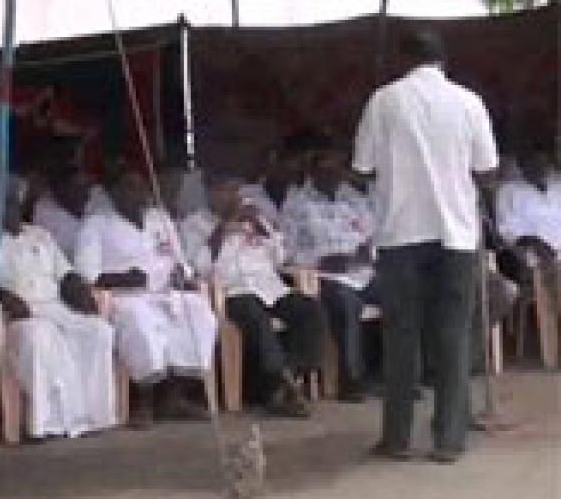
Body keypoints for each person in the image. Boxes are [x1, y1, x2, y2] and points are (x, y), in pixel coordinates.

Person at [353, 29, 499, 463]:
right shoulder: (469, 102)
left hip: (401, 234)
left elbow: (362, 168)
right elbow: (488, 170)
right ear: (441, 60)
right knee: (452, 336)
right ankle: (449, 439)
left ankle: (397, 438)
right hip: (456, 235)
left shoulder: (383, 101)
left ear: (405, 58)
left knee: (401, 337)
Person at [0, 183, 116, 440]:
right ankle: (45, 424)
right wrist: (6, 296)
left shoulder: (40, 235)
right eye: (3, 204)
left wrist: (80, 290)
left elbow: (65, 273)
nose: (9, 209)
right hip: (16, 314)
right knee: (38, 337)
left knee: (98, 331)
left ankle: (92, 416)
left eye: (13, 203)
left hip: (55, 307)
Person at [74, 170, 218, 424]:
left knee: (199, 312)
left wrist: (180, 272)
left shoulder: (160, 220)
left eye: (140, 188)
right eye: (129, 188)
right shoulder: (96, 224)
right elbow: (87, 274)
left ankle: (175, 396)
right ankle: (145, 401)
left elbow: (181, 262)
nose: (137, 194)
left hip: (166, 292)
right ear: (114, 193)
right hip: (126, 296)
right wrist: (122, 277)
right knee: (140, 322)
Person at [183, 176, 325, 418]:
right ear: (211, 193)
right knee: (256, 317)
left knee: (310, 310)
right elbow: (197, 267)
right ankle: (280, 386)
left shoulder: (253, 219)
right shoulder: (194, 224)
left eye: (235, 190)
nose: (233, 196)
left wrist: (262, 229)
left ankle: (286, 377)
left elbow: (280, 258)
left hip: (270, 288)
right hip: (233, 292)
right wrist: (221, 230)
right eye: (226, 190)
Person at [281, 146, 378, 402]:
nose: (333, 174)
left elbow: (374, 235)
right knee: (347, 304)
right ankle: (351, 380)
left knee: (403, 296)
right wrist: (320, 262)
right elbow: (287, 251)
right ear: (313, 171)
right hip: (325, 277)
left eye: (338, 168)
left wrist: (369, 253)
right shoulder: (297, 204)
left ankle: (399, 376)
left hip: (363, 271)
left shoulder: (354, 199)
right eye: (326, 168)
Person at [496, 147, 560, 304]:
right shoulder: (508, 190)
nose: (539, 166)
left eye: (543, 161)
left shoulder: (558, 185)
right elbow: (506, 232)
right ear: (522, 165)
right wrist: (533, 242)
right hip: (534, 257)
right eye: (533, 162)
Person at [32, 163, 93, 262]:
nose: (84, 193)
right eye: (77, 187)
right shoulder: (45, 210)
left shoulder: (92, 206)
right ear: (60, 188)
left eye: (85, 187)